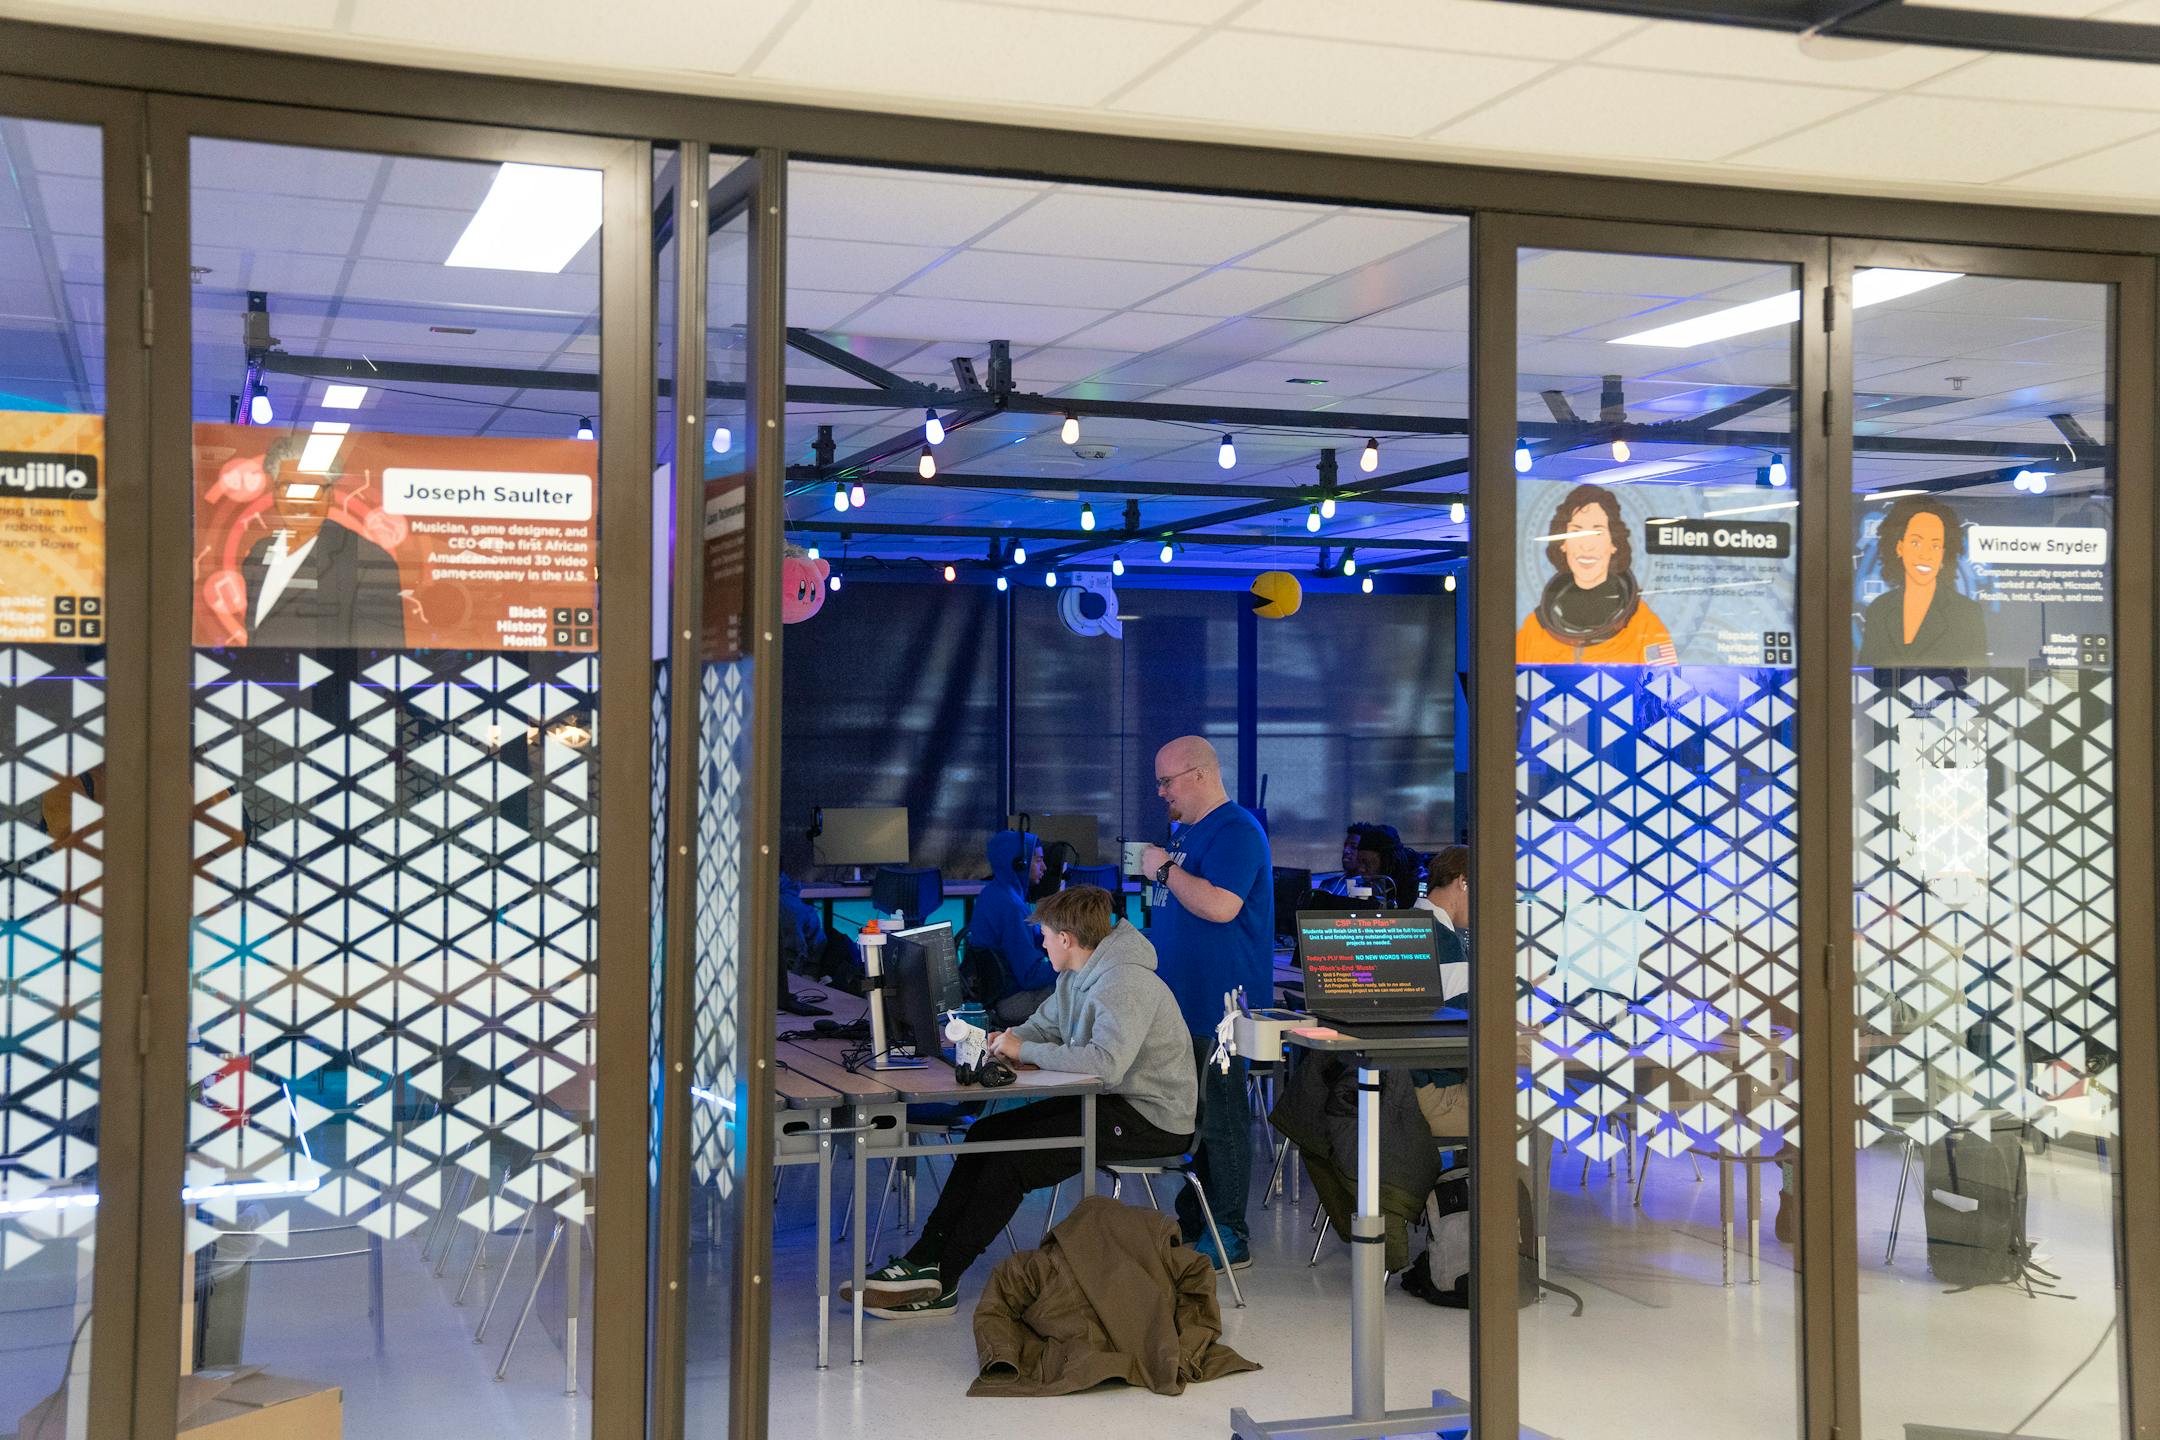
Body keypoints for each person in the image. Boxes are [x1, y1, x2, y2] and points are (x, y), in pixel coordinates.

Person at [852, 886, 1197, 1317]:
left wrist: (1025, 1051)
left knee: (1010, 1160)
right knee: (987, 1133)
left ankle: (941, 1282)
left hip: (1151, 1118)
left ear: (1067, 939)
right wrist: (1005, 1042)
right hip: (1112, 1103)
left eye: (1047, 935)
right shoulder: (1078, 975)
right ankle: (924, 1259)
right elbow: (1044, 1026)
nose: (1043, 942)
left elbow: (1107, 1064)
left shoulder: (1125, 982)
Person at [1141, 735, 1273, 1272]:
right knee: (1193, 1118)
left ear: (1198, 774)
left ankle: (1229, 1233)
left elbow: (1221, 906)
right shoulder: (1188, 835)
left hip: (1223, 1008)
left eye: (1166, 781)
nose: (1161, 792)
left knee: (1222, 1119)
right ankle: (1195, 1218)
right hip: (1184, 1004)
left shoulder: (1237, 830)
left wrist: (1163, 869)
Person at [237, 437, 409, 649]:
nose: (300, 500)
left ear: (331, 496)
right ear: (274, 494)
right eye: (288, 487)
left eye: (312, 488)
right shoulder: (259, 553)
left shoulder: (368, 560)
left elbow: (380, 656)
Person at [1516, 483, 1676, 666]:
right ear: (1562, 543)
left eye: (1597, 532)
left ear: (1614, 543)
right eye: (1576, 532)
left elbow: (1665, 688)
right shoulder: (1535, 630)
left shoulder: (1646, 627)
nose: (1586, 545)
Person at [1858, 496, 1988, 667]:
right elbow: (1866, 674)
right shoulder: (1880, 609)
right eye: (1916, 543)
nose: (1925, 554)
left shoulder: (1966, 613)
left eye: (1935, 545)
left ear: (1943, 553)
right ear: (1899, 547)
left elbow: (1976, 680)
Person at [1410, 844, 1471, 1140]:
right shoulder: (1443, 940)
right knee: (1537, 1108)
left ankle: (1465, 1185)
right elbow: (1467, 1029)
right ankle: (1513, 1189)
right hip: (1434, 1096)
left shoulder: (1412, 923)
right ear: (1463, 882)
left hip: (1404, 1088)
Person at [966, 829, 1053, 1024]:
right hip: (1013, 1002)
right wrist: (1074, 964)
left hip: (997, 997)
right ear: (1019, 864)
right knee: (1079, 985)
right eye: (1038, 861)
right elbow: (1030, 976)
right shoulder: (1012, 907)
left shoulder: (993, 893)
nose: (1045, 867)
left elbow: (1032, 941)